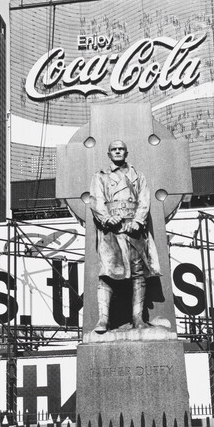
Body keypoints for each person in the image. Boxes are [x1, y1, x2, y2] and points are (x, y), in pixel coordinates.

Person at [88, 140, 160, 332]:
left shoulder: (138, 176)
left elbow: (144, 200)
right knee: (107, 273)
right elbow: (96, 200)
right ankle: (103, 320)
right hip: (111, 231)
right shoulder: (100, 176)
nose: (118, 152)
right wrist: (106, 218)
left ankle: (138, 318)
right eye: (114, 149)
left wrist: (137, 221)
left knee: (138, 274)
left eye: (121, 149)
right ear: (108, 153)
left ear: (126, 153)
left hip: (133, 230)